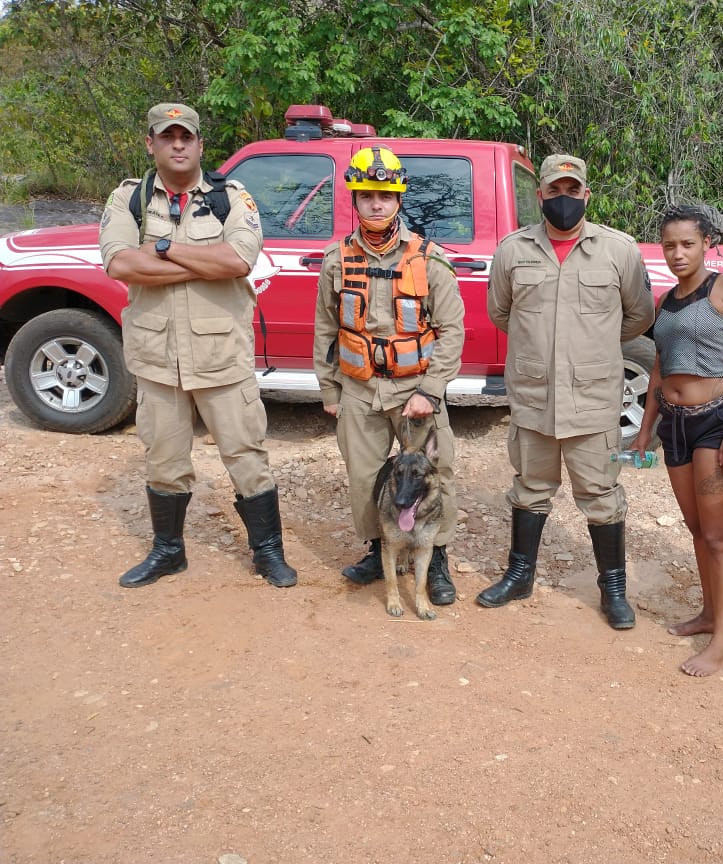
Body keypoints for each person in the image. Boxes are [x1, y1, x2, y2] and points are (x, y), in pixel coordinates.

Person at [99, 102, 296, 589]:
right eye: (168, 137)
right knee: (164, 461)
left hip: (221, 358)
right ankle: (168, 552)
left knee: (247, 457)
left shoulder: (232, 196)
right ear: (151, 144)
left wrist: (162, 249)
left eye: (186, 136)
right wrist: (202, 261)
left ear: (201, 144)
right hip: (157, 360)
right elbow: (120, 264)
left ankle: (268, 552)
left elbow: (238, 260)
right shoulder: (129, 199)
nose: (178, 144)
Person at [478, 154, 655, 628]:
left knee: (600, 492)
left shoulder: (618, 251)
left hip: (593, 400)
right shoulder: (513, 251)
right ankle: (520, 576)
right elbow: (501, 312)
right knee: (530, 488)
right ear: (539, 196)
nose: (563, 200)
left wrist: (590, 347)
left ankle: (613, 589)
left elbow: (639, 315)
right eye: (554, 191)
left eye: (572, 191)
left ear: (586, 195)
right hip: (534, 396)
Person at [313, 146, 465, 604]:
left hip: (412, 389)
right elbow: (325, 326)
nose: (376, 204)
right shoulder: (335, 259)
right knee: (364, 477)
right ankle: (379, 548)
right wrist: (329, 387)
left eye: (385, 195)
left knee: (436, 473)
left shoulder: (429, 259)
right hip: (358, 390)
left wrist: (431, 391)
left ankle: (435, 557)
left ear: (399, 199)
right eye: (366, 195)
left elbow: (453, 329)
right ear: (354, 201)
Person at [634, 203, 723, 675]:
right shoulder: (665, 301)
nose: (678, 253)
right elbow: (660, 369)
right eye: (669, 245)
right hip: (675, 424)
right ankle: (709, 614)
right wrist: (646, 429)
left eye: (687, 243)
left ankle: (722, 640)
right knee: (696, 531)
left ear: (707, 242)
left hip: (716, 422)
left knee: (718, 536)